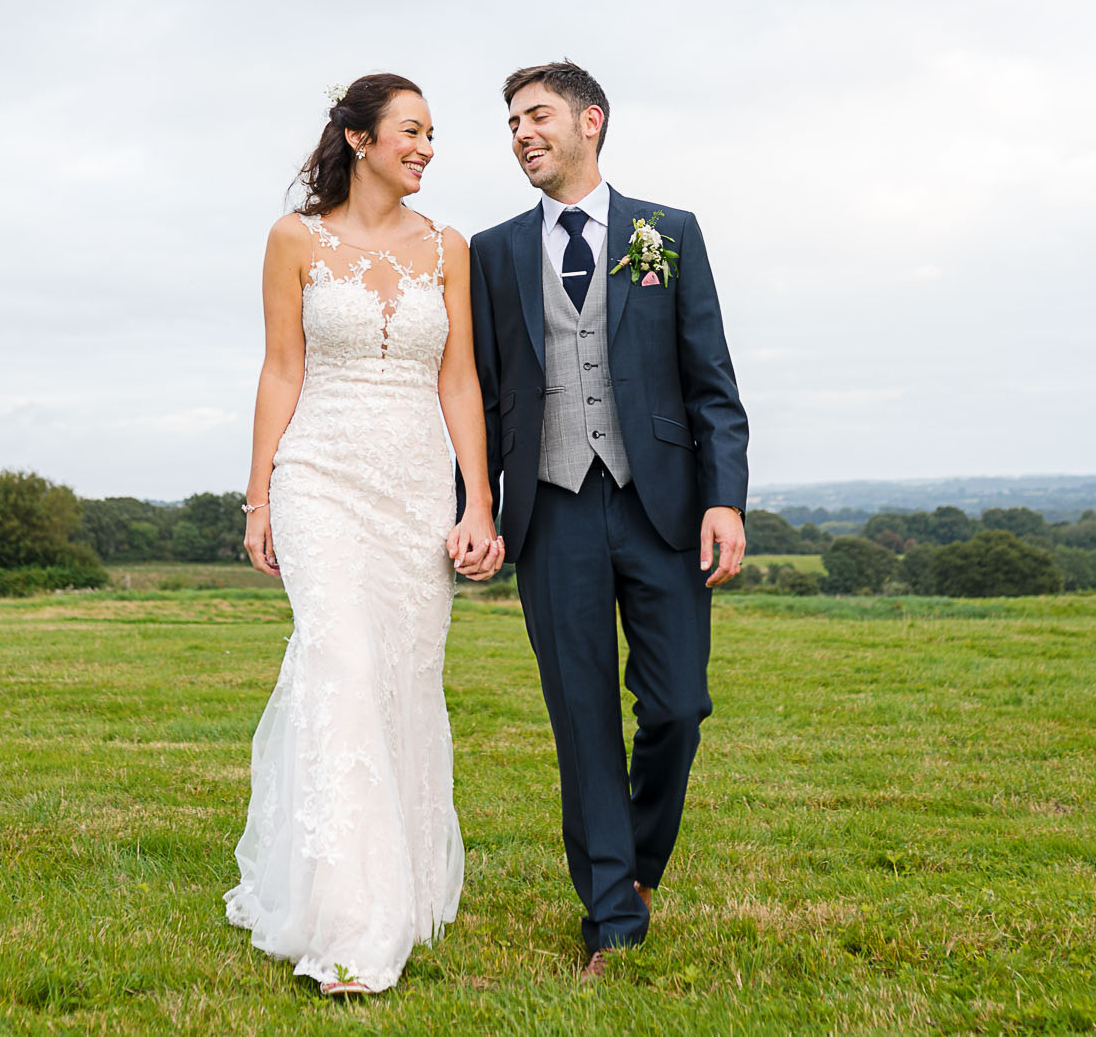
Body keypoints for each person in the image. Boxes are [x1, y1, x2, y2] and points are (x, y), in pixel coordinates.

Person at [467, 61, 749, 976]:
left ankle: (639, 866)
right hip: (550, 510)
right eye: (512, 122)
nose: (521, 133)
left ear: (591, 120)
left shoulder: (669, 233)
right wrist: (477, 505)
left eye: (536, 115)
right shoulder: (492, 251)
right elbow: (475, 393)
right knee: (581, 718)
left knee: (678, 706)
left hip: (659, 505)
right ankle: (611, 919)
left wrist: (724, 497)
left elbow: (712, 382)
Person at [225, 73, 504, 996]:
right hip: (320, 477)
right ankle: (349, 925)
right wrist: (260, 495)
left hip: (418, 485)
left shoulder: (448, 248)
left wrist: (478, 503)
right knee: (340, 664)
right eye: (411, 131)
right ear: (359, 138)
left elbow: (459, 381)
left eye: (432, 134)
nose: (425, 147)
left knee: (400, 677)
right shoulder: (293, 240)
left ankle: (400, 880)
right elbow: (280, 368)